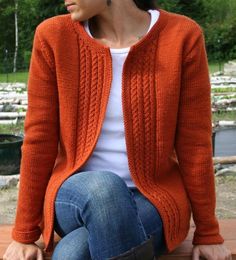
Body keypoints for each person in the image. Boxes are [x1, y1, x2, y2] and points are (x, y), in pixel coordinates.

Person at [3, 0, 233, 259]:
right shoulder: (53, 37)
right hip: (75, 195)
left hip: (155, 200)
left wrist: (208, 232)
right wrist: (24, 233)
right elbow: (39, 140)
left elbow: (195, 145)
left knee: (72, 253)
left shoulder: (182, 36)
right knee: (104, 189)